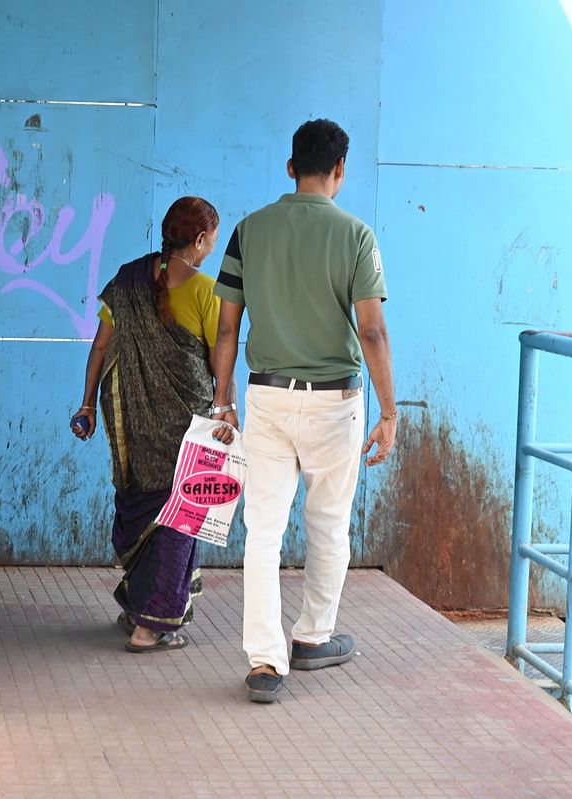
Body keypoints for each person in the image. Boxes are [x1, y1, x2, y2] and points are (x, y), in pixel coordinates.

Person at [210, 119, 396, 702]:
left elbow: (226, 326)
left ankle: (265, 664)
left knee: (262, 531)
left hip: (265, 396)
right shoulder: (357, 236)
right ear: (340, 171)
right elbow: (372, 329)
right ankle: (313, 637)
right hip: (336, 402)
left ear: (290, 167)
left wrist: (223, 399)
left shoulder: (248, 230)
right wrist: (389, 412)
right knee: (328, 524)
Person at [71, 196, 235, 653]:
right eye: (211, 243)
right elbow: (219, 356)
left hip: (137, 431)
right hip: (189, 430)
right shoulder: (205, 290)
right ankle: (151, 626)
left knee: (146, 510)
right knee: (179, 518)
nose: (210, 251)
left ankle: (138, 606)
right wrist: (225, 406)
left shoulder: (126, 280)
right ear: (200, 241)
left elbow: (101, 349)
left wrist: (86, 405)